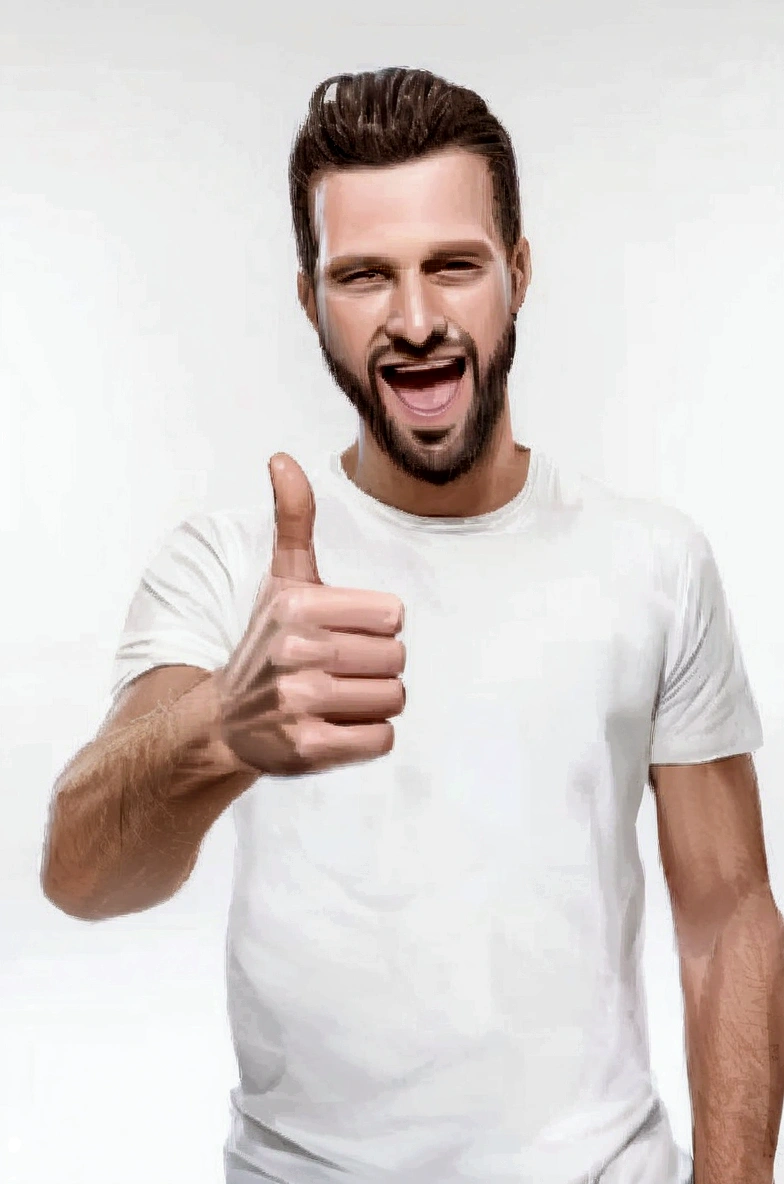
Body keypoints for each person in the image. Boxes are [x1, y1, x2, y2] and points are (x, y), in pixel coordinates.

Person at [41, 68, 779, 1184]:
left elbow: (726, 913)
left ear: (517, 272)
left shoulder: (652, 560)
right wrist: (220, 729)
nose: (418, 318)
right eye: (364, 276)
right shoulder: (228, 565)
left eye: (453, 264)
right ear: (308, 299)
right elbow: (81, 876)